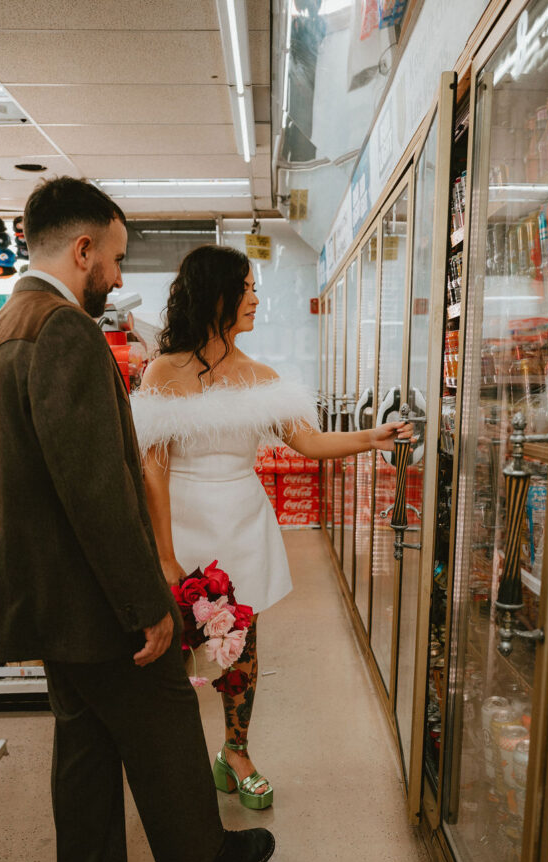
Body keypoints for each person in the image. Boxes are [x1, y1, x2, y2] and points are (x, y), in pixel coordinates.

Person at [0, 179, 275, 862]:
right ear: (82, 249)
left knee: (86, 747)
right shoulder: (63, 331)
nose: (117, 273)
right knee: (165, 716)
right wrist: (148, 602)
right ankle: (200, 858)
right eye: (114, 256)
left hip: (44, 595)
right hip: (96, 596)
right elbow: (96, 487)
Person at [132, 244, 413, 811]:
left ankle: (235, 752)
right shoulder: (164, 370)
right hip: (180, 524)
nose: (258, 298)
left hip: (242, 523)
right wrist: (163, 554)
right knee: (173, 651)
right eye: (249, 287)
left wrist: (371, 438)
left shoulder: (261, 377)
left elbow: (305, 441)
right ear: (218, 296)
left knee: (241, 649)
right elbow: (154, 469)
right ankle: (176, 763)